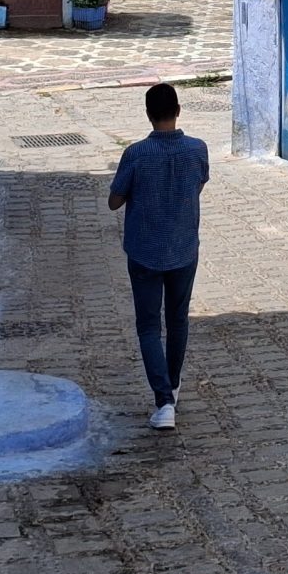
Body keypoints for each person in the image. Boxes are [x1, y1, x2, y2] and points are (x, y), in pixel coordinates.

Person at [107, 82, 209, 430]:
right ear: (178, 109)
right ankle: (174, 386)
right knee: (178, 320)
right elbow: (199, 183)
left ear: (148, 114)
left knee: (149, 326)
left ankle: (163, 400)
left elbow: (114, 200)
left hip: (144, 250)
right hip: (183, 247)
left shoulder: (136, 154)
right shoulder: (198, 149)